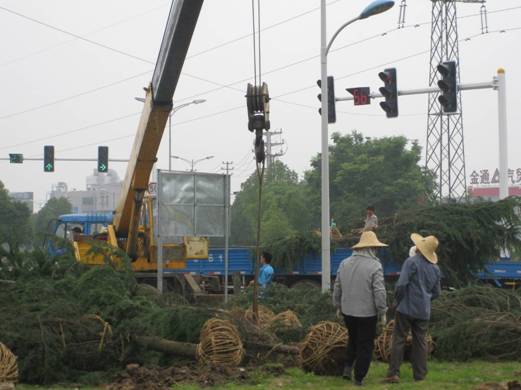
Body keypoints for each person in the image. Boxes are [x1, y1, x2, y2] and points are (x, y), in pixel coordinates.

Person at [384, 233, 441, 384]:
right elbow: (437, 293)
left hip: (406, 308)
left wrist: (397, 300)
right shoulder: (435, 269)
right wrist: (426, 300)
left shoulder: (411, 262)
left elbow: (401, 285)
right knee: (420, 342)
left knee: (398, 339)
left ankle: (393, 374)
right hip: (423, 311)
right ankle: (420, 375)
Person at [333, 231, 388, 386]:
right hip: (367, 313)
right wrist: (382, 312)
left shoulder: (344, 263)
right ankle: (359, 377)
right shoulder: (375, 265)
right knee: (365, 344)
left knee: (353, 339)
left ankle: (347, 367)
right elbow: (379, 291)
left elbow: (337, 286)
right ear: (371, 248)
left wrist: (337, 305)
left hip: (348, 311)